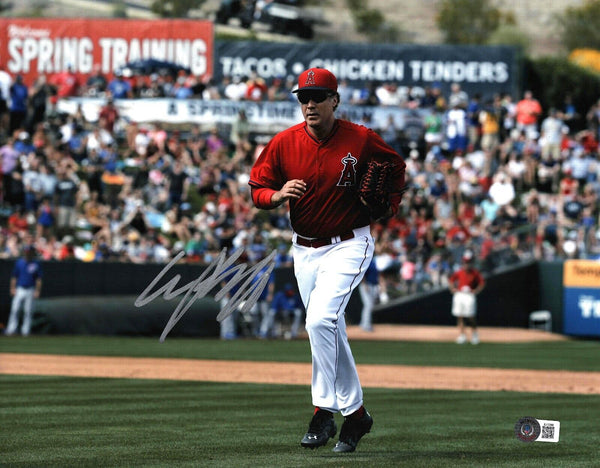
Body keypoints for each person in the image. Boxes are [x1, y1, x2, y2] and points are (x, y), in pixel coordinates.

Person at [249, 67, 406, 453]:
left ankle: (324, 411)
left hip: (349, 242)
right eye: (303, 97)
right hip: (303, 248)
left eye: (317, 96)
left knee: (319, 319)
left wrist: (389, 204)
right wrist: (276, 195)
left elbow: (396, 168)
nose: (310, 104)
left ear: (334, 100)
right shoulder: (284, 143)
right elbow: (257, 187)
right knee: (328, 329)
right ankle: (356, 416)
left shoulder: (361, 138)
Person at [448, 250, 485, 345]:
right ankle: (462, 336)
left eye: (468, 262)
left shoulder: (475, 273)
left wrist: (476, 291)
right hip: (460, 294)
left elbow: (481, 283)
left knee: (470, 316)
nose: (467, 264)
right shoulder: (459, 272)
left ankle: (474, 335)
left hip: (469, 295)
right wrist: (453, 289)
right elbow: (451, 280)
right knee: (459, 315)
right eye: (465, 262)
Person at [5, 245, 43, 336]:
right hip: (20, 288)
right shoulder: (19, 263)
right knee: (15, 309)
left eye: (29, 252)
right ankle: (11, 329)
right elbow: (14, 277)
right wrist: (12, 288)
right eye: (26, 252)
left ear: (32, 253)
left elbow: (39, 279)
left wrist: (37, 291)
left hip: (30, 289)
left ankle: (25, 331)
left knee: (28, 311)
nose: (27, 253)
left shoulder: (36, 264)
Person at [358, 257, 379, 332]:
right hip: (366, 285)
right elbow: (362, 273)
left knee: (370, 306)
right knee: (368, 305)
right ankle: (366, 325)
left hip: (374, 285)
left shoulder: (373, 260)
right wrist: (364, 284)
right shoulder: (365, 260)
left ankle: (363, 323)